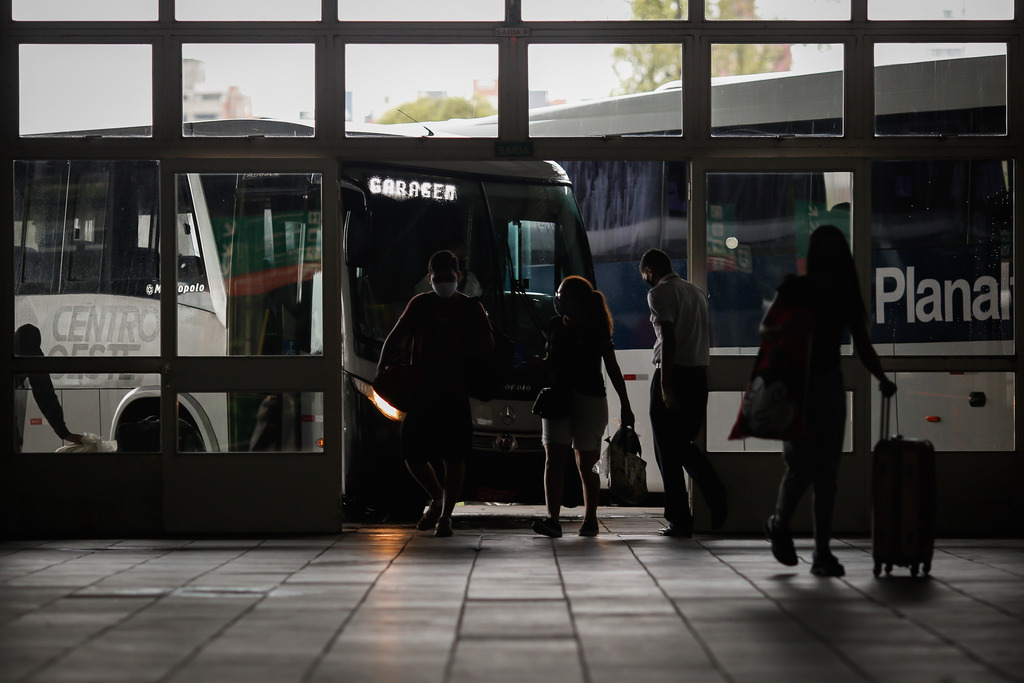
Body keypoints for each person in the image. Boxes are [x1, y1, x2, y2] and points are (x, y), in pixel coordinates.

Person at [761, 225, 897, 577]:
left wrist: (789, 329)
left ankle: (793, 532)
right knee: (823, 473)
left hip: (800, 386)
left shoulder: (799, 288)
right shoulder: (842, 292)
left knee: (804, 468)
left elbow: (765, 330)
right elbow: (863, 345)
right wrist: (882, 378)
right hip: (824, 386)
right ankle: (804, 540)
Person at [377, 250, 494, 537]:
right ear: (430, 279)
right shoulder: (420, 304)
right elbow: (395, 335)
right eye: (438, 278)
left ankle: (445, 516)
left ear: (459, 277)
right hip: (421, 392)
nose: (443, 283)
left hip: (455, 393)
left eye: (449, 278)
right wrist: (381, 370)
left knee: (455, 457)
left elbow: (489, 346)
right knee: (411, 452)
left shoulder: (471, 308)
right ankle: (438, 498)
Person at [532, 275, 635, 538]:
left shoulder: (596, 327)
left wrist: (625, 404)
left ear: (576, 300)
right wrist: (543, 363)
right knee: (553, 461)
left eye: (561, 294)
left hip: (589, 400)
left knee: (584, 463)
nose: (557, 299)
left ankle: (590, 519)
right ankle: (552, 520)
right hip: (557, 399)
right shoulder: (555, 324)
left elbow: (611, 367)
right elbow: (553, 359)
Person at [640, 248, 728, 538]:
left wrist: (665, 386)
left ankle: (681, 518)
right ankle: (714, 493)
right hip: (698, 377)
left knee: (667, 449)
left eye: (645, 276)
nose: (646, 281)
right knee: (682, 444)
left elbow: (668, 337)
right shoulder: (696, 292)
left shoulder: (658, 294)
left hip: (673, 375)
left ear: (650, 271)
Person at [14, 324, 83, 451]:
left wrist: (64, 432)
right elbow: (46, 396)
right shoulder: (34, 356)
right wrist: (64, 432)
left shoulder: (21, 354)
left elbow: (45, 395)